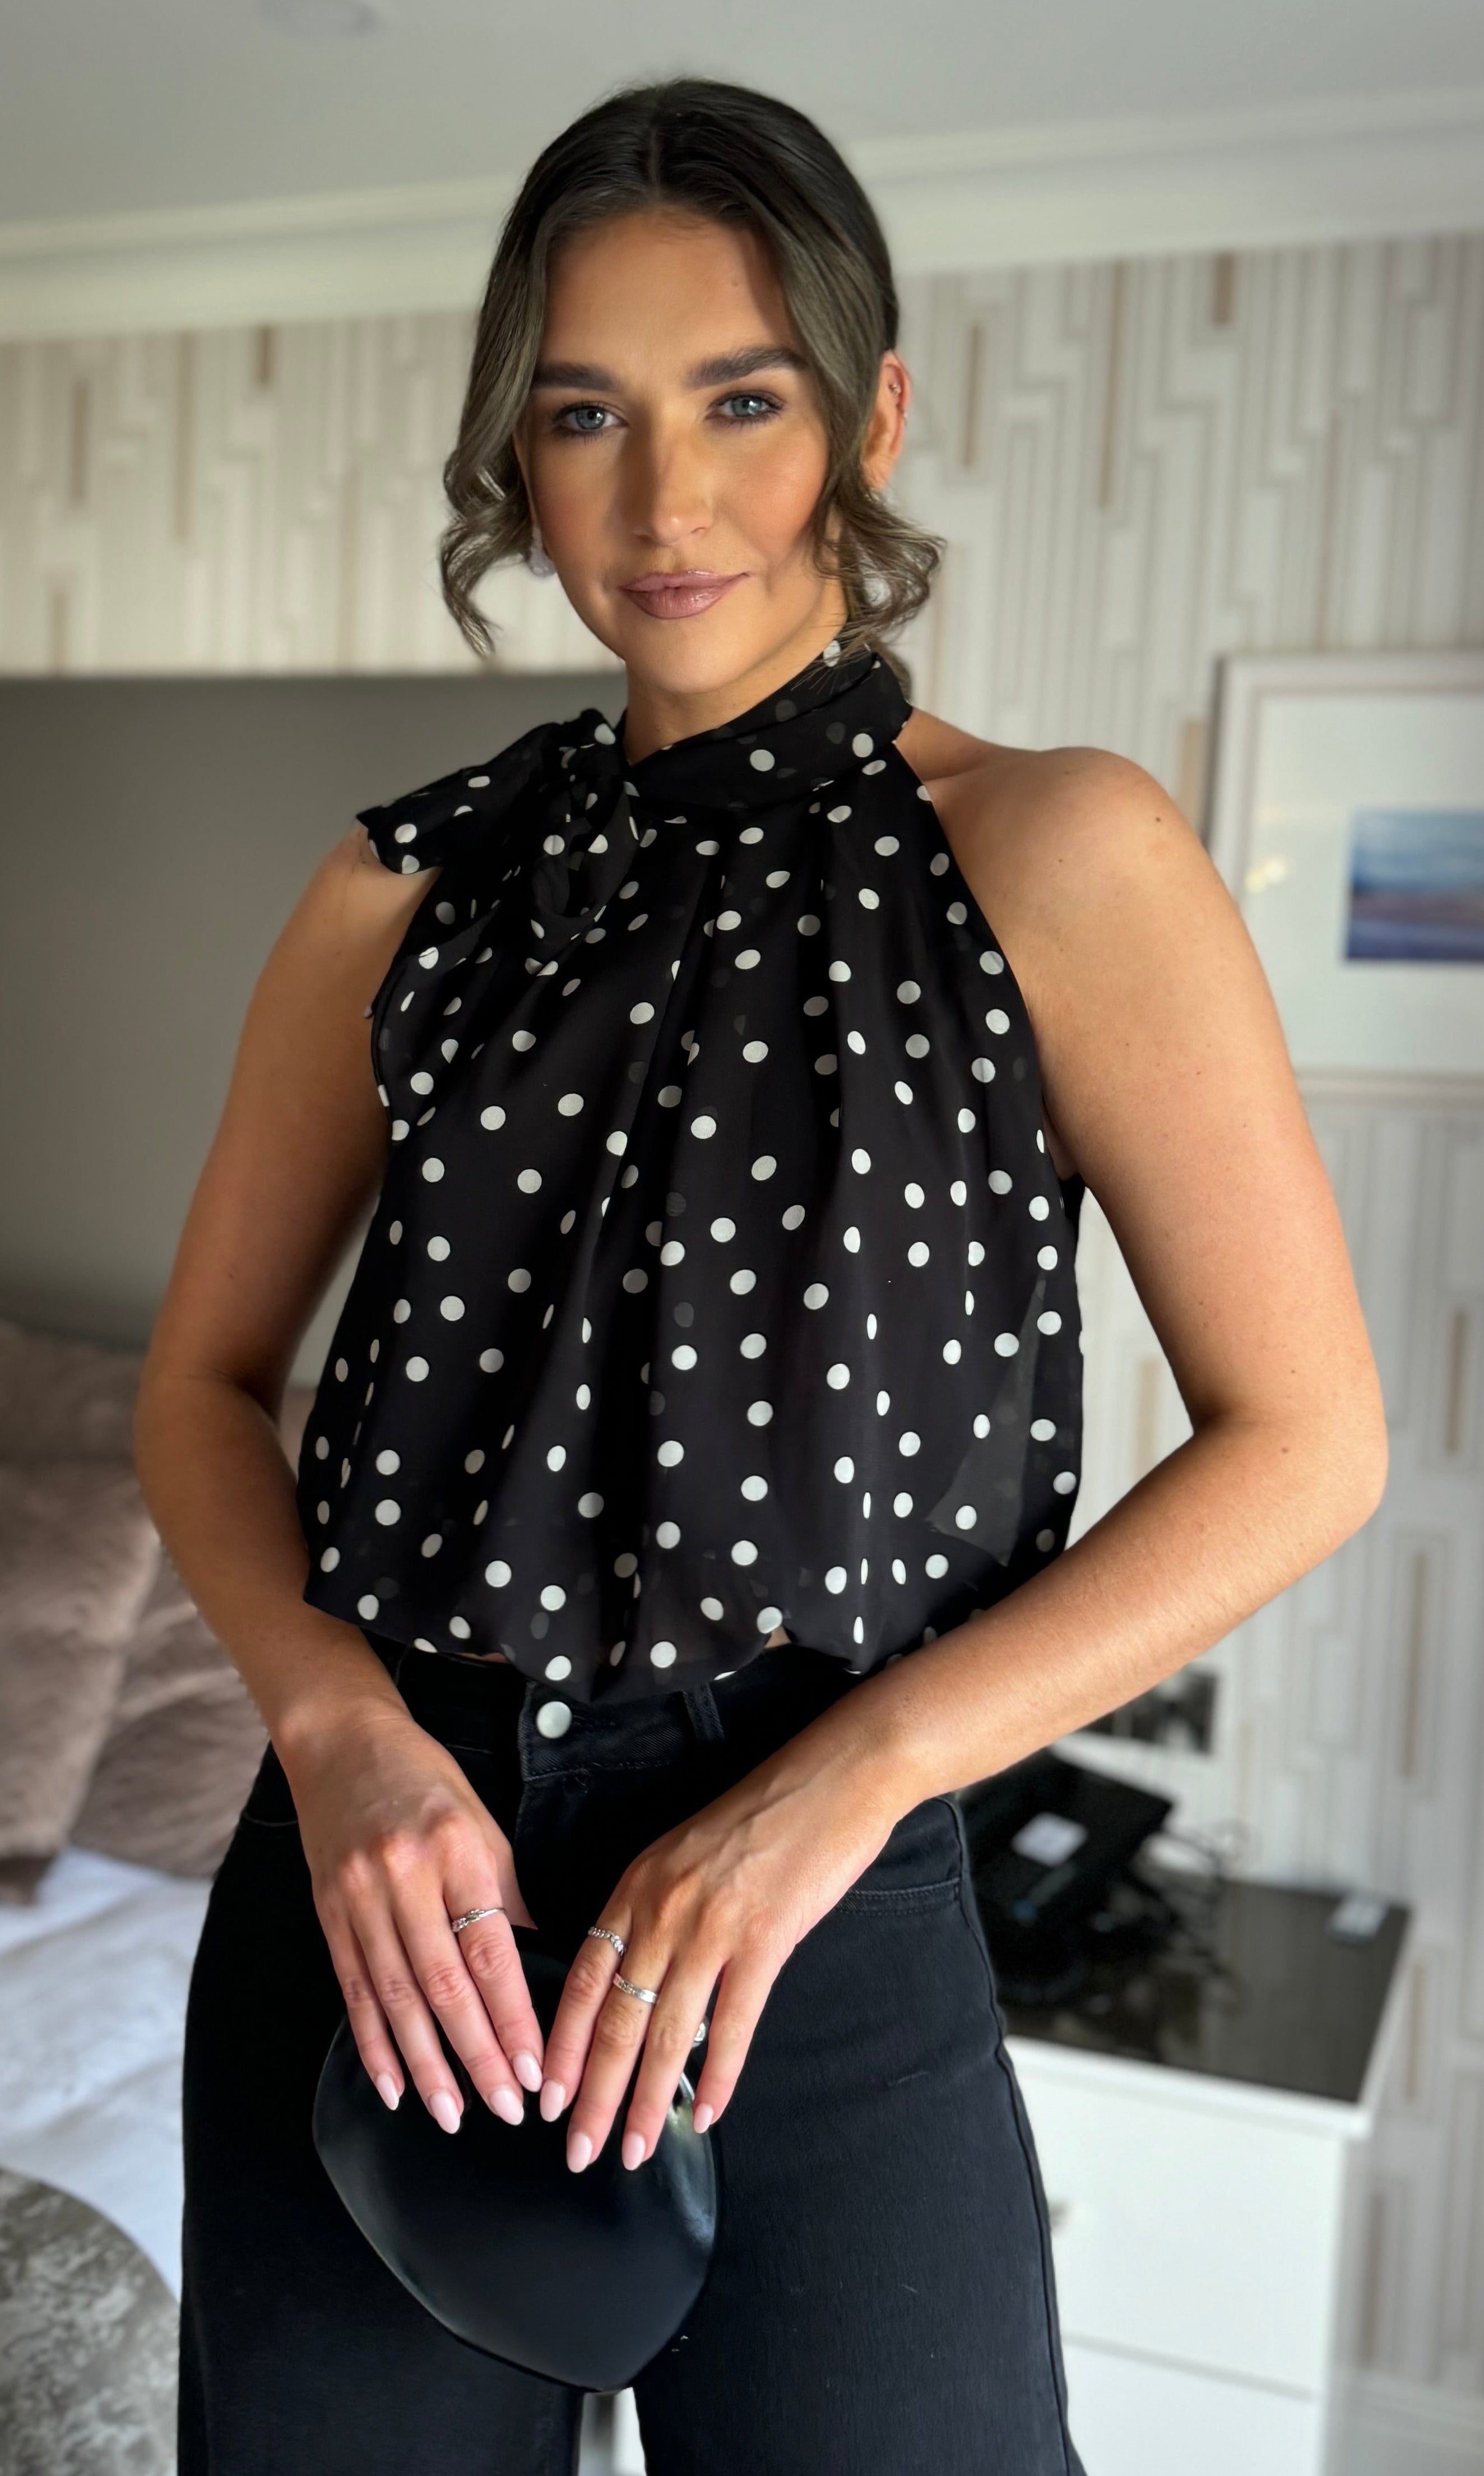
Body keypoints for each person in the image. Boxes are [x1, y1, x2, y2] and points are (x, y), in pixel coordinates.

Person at [133, 75, 1388, 2476]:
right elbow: (198, 1381)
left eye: (741, 399)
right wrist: (334, 1732)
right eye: (582, 414)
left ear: (871, 414)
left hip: (814, 1890)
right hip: (384, 1895)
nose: (660, 502)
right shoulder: (398, 891)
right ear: (515, 452)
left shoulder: (1056, 853)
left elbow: (1308, 1440)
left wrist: (857, 1777)